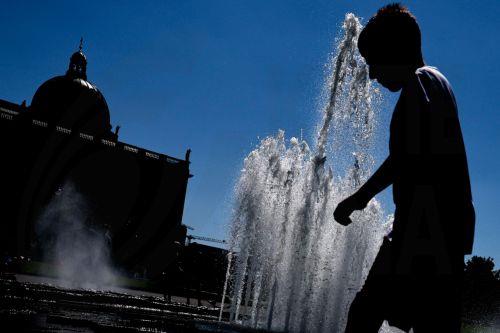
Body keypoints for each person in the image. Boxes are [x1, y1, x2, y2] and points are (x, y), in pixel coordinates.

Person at [333, 4, 475, 332]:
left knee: (363, 315)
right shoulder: (440, 83)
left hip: (423, 234)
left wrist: (359, 197)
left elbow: (405, 158)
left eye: (374, 62)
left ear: (395, 50)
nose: (371, 75)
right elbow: (410, 154)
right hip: (444, 234)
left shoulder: (419, 82)